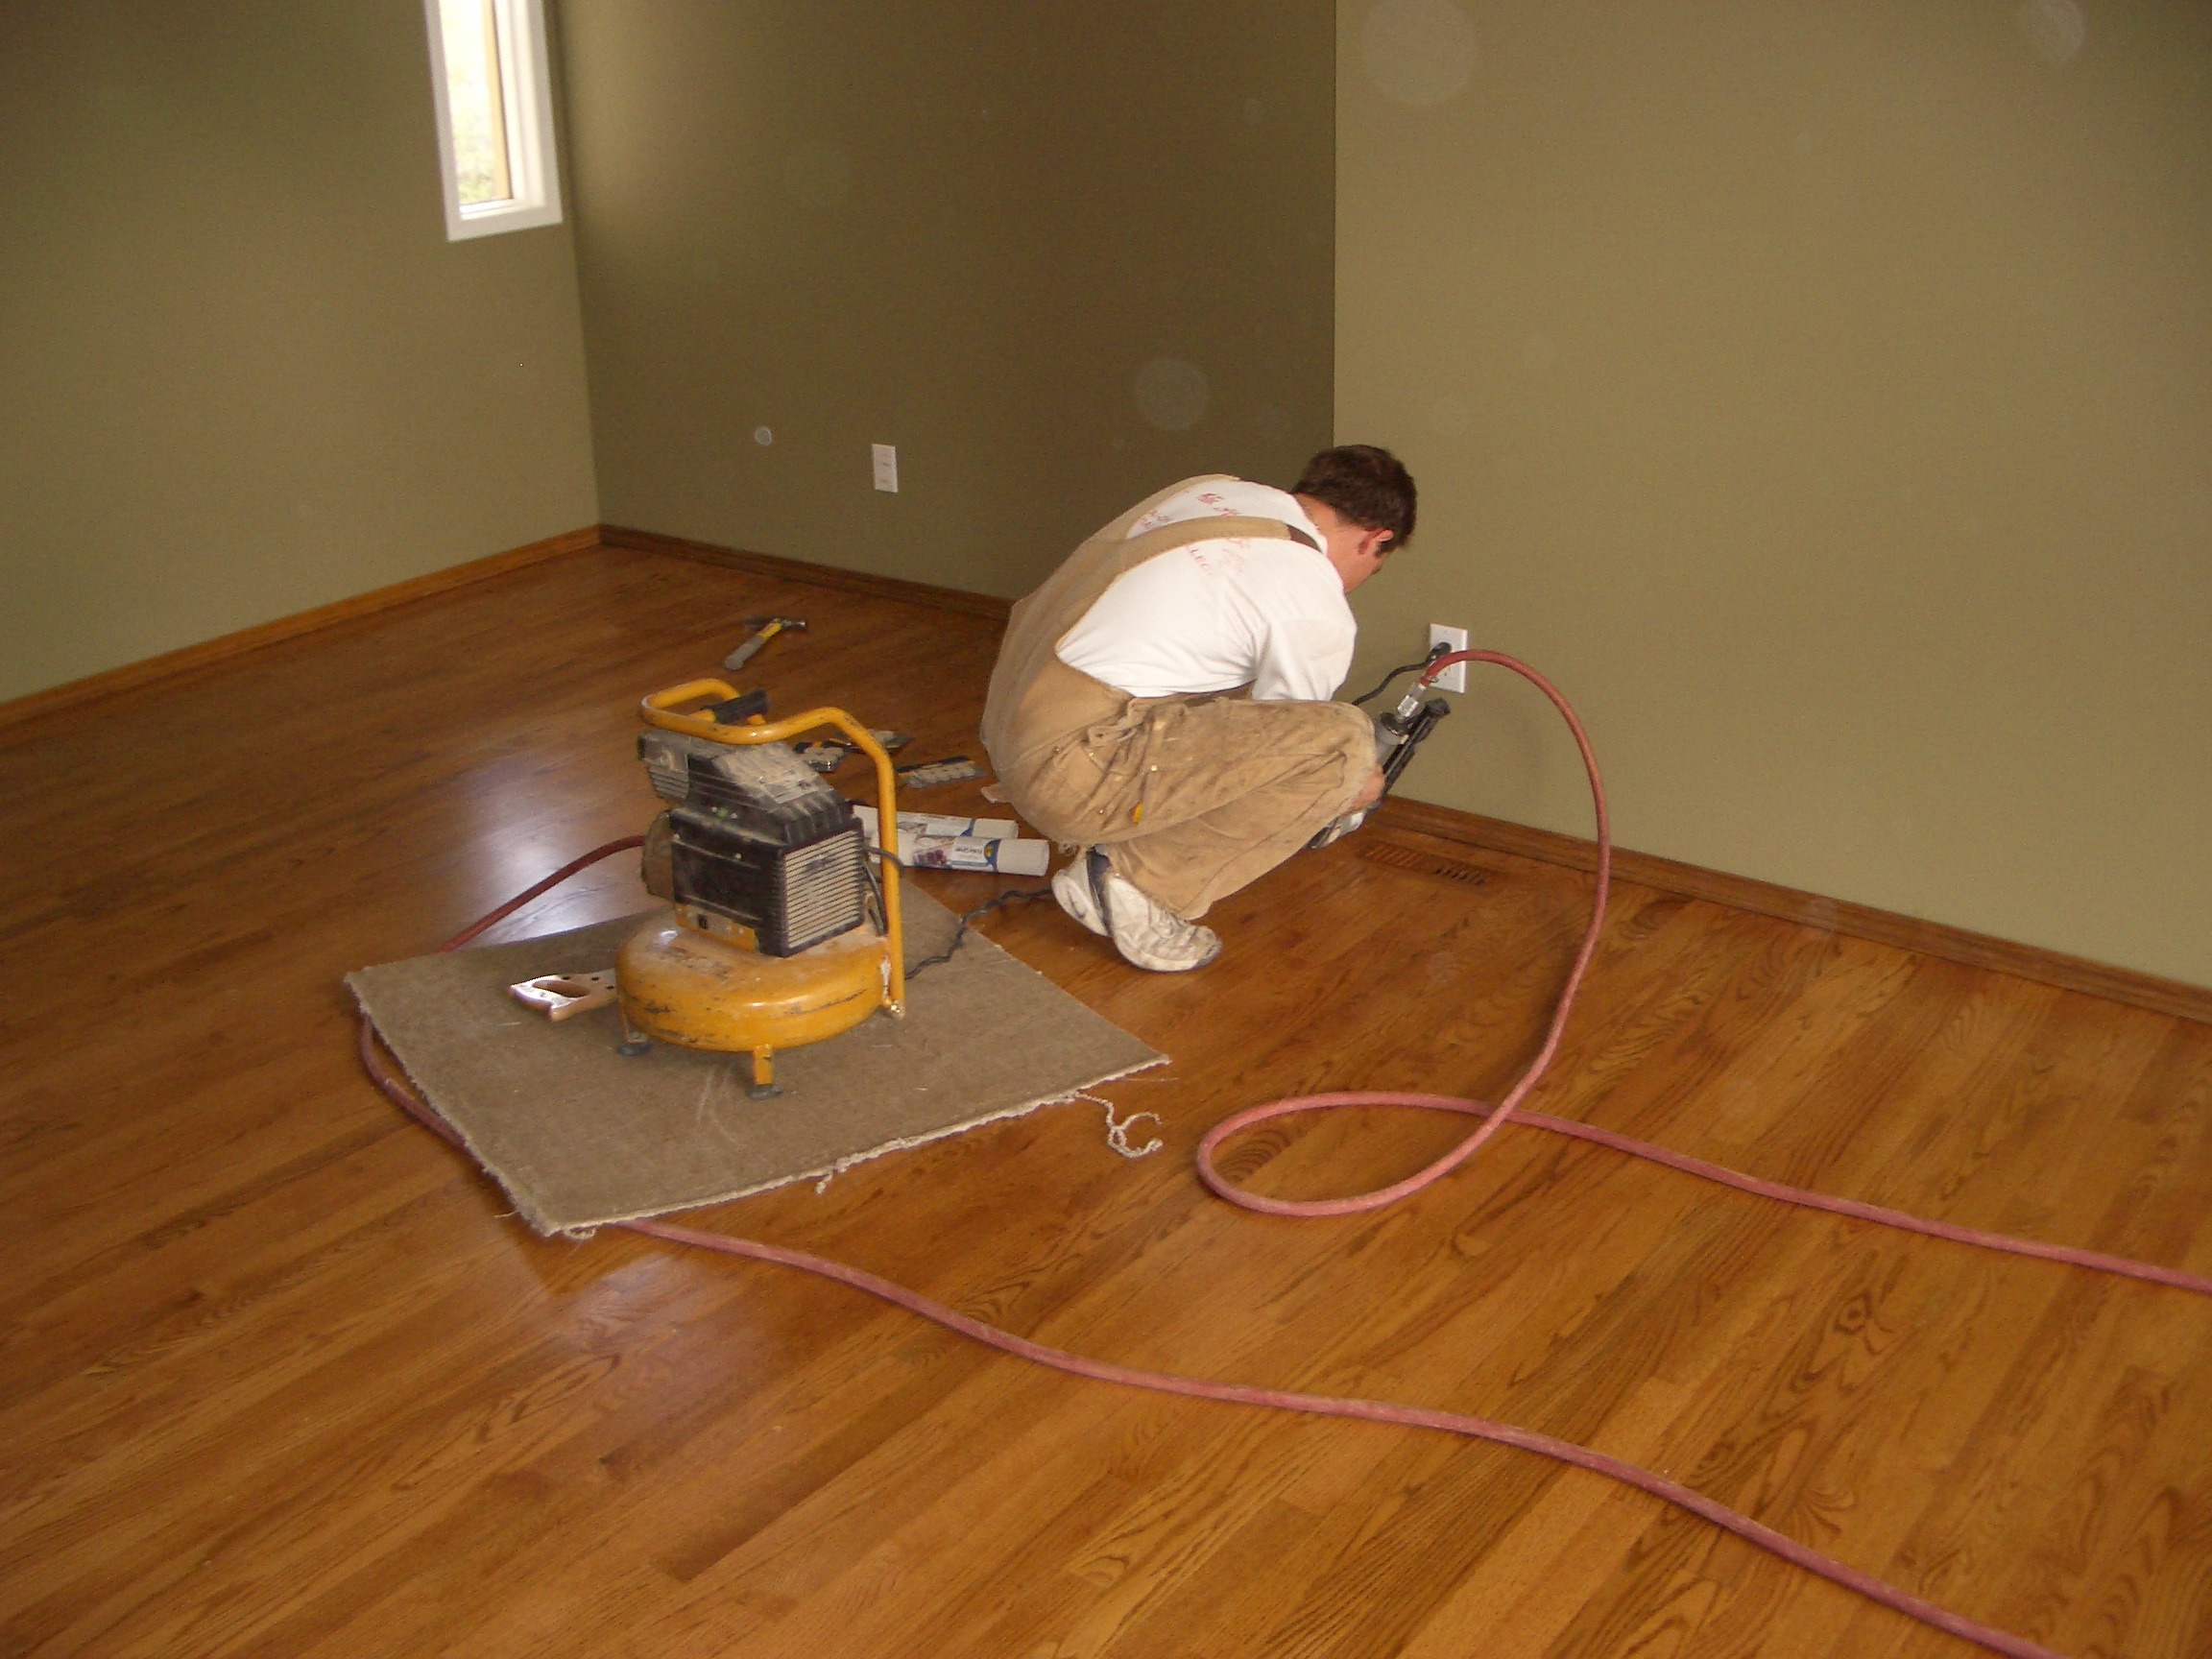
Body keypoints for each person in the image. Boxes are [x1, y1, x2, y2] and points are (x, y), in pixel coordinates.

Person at [979, 445, 1416, 972]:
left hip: (1014, 721)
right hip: (1063, 770)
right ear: (1375, 539)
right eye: (1374, 567)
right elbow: (1284, 747)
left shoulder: (1213, 491)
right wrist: (1355, 786)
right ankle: (1132, 882)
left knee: (1238, 680)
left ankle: (1112, 829)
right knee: (1341, 747)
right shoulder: (1312, 599)